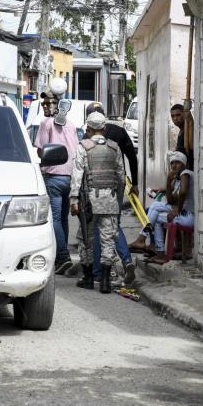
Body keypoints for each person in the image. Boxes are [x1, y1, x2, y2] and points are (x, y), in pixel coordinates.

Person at [69, 112, 124, 294]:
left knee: (86, 239)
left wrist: (74, 199)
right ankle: (106, 282)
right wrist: (118, 199)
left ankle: (88, 278)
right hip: (110, 200)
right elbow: (121, 177)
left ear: (89, 129)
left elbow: (77, 174)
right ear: (104, 128)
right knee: (108, 239)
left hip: (89, 201)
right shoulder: (115, 148)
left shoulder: (83, 147)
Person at [85, 102, 138, 285]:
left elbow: (81, 168)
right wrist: (134, 183)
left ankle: (100, 272)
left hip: (96, 188)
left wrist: (78, 195)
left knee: (101, 226)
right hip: (116, 185)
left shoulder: (87, 138)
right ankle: (126, 261)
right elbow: (131, 157)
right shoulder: (118, 133)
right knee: (113, 224)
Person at [35, 98, 79, 274]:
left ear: (58, 105)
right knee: (63, 219)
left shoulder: (46, 123)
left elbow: (41, 149)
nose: (46, 106)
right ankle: (62, 256)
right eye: (44, 104)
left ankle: (63, 257)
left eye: (49, 104)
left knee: (55, 220)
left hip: (53, 176)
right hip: (70, 176)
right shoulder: (72, 124)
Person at [128, 151, 193, 264]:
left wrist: (178, 209)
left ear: (184, 165)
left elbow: (183, 192)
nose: (174, 166)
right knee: (156, 213)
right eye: (172, 163)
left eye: (178, 163)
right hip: (181, 212)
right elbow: (170, 200)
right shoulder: (177, 179)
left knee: (155, 207)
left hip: (188, 215)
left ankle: (143, 239)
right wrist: (168, 182)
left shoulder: (186, 173)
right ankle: (158, 252)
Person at [170, 104, 194, 170]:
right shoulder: (182, 130)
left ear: (184, 114)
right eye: (173, 116)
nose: (175, 118)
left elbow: (191, 149)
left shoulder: (189, 130)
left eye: (178, 115)